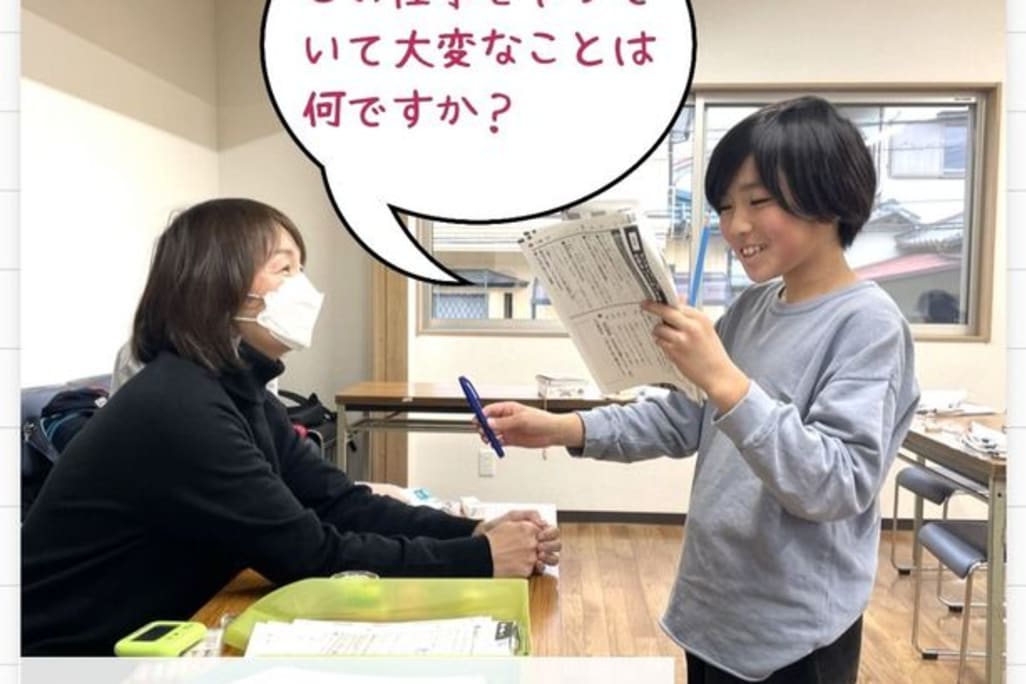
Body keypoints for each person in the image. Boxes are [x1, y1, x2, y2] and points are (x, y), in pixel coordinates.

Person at [481, 97, 919, 683]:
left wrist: (725, 380)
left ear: (830, 193)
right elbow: (685, 418)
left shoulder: (868, 324)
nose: (736, 226)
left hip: (794, 637)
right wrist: (561, 427)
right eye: (726, 206)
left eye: (758, 201)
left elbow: (837, 484)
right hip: (714, 611)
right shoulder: (753, 307)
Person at [22, 198, 560, 656]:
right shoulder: (177, 406)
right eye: (284, 269)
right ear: (217, 286)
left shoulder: (240, 392)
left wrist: (472, 531)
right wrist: (480, 558)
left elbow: (339, 502)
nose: (303, 288)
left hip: (163, 633)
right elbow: (309, 555)